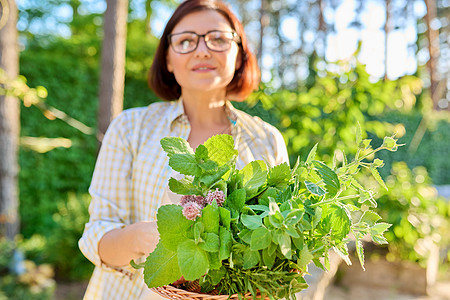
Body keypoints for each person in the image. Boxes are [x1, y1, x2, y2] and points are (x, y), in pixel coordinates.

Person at [78, 0, 289, 299]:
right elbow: (95, 237)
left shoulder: (267, 140)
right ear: (167, 58)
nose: (202, 50)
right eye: (186, 40)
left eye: (218, 39)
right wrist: (141, 238)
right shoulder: (131, 128)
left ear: (240, 54)